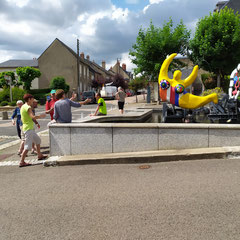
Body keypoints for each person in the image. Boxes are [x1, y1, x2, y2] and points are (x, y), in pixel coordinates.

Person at [19, 94, 47, 167]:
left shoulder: (22, 106)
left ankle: (39, 155)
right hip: (28, 129)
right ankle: (22, 162)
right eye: (32, 99)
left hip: (28, 128)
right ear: (29, 99)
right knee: (27, 146)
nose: (33, 100)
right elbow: (33, 117)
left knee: (38, 140)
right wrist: (41, 116)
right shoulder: (28, 107)